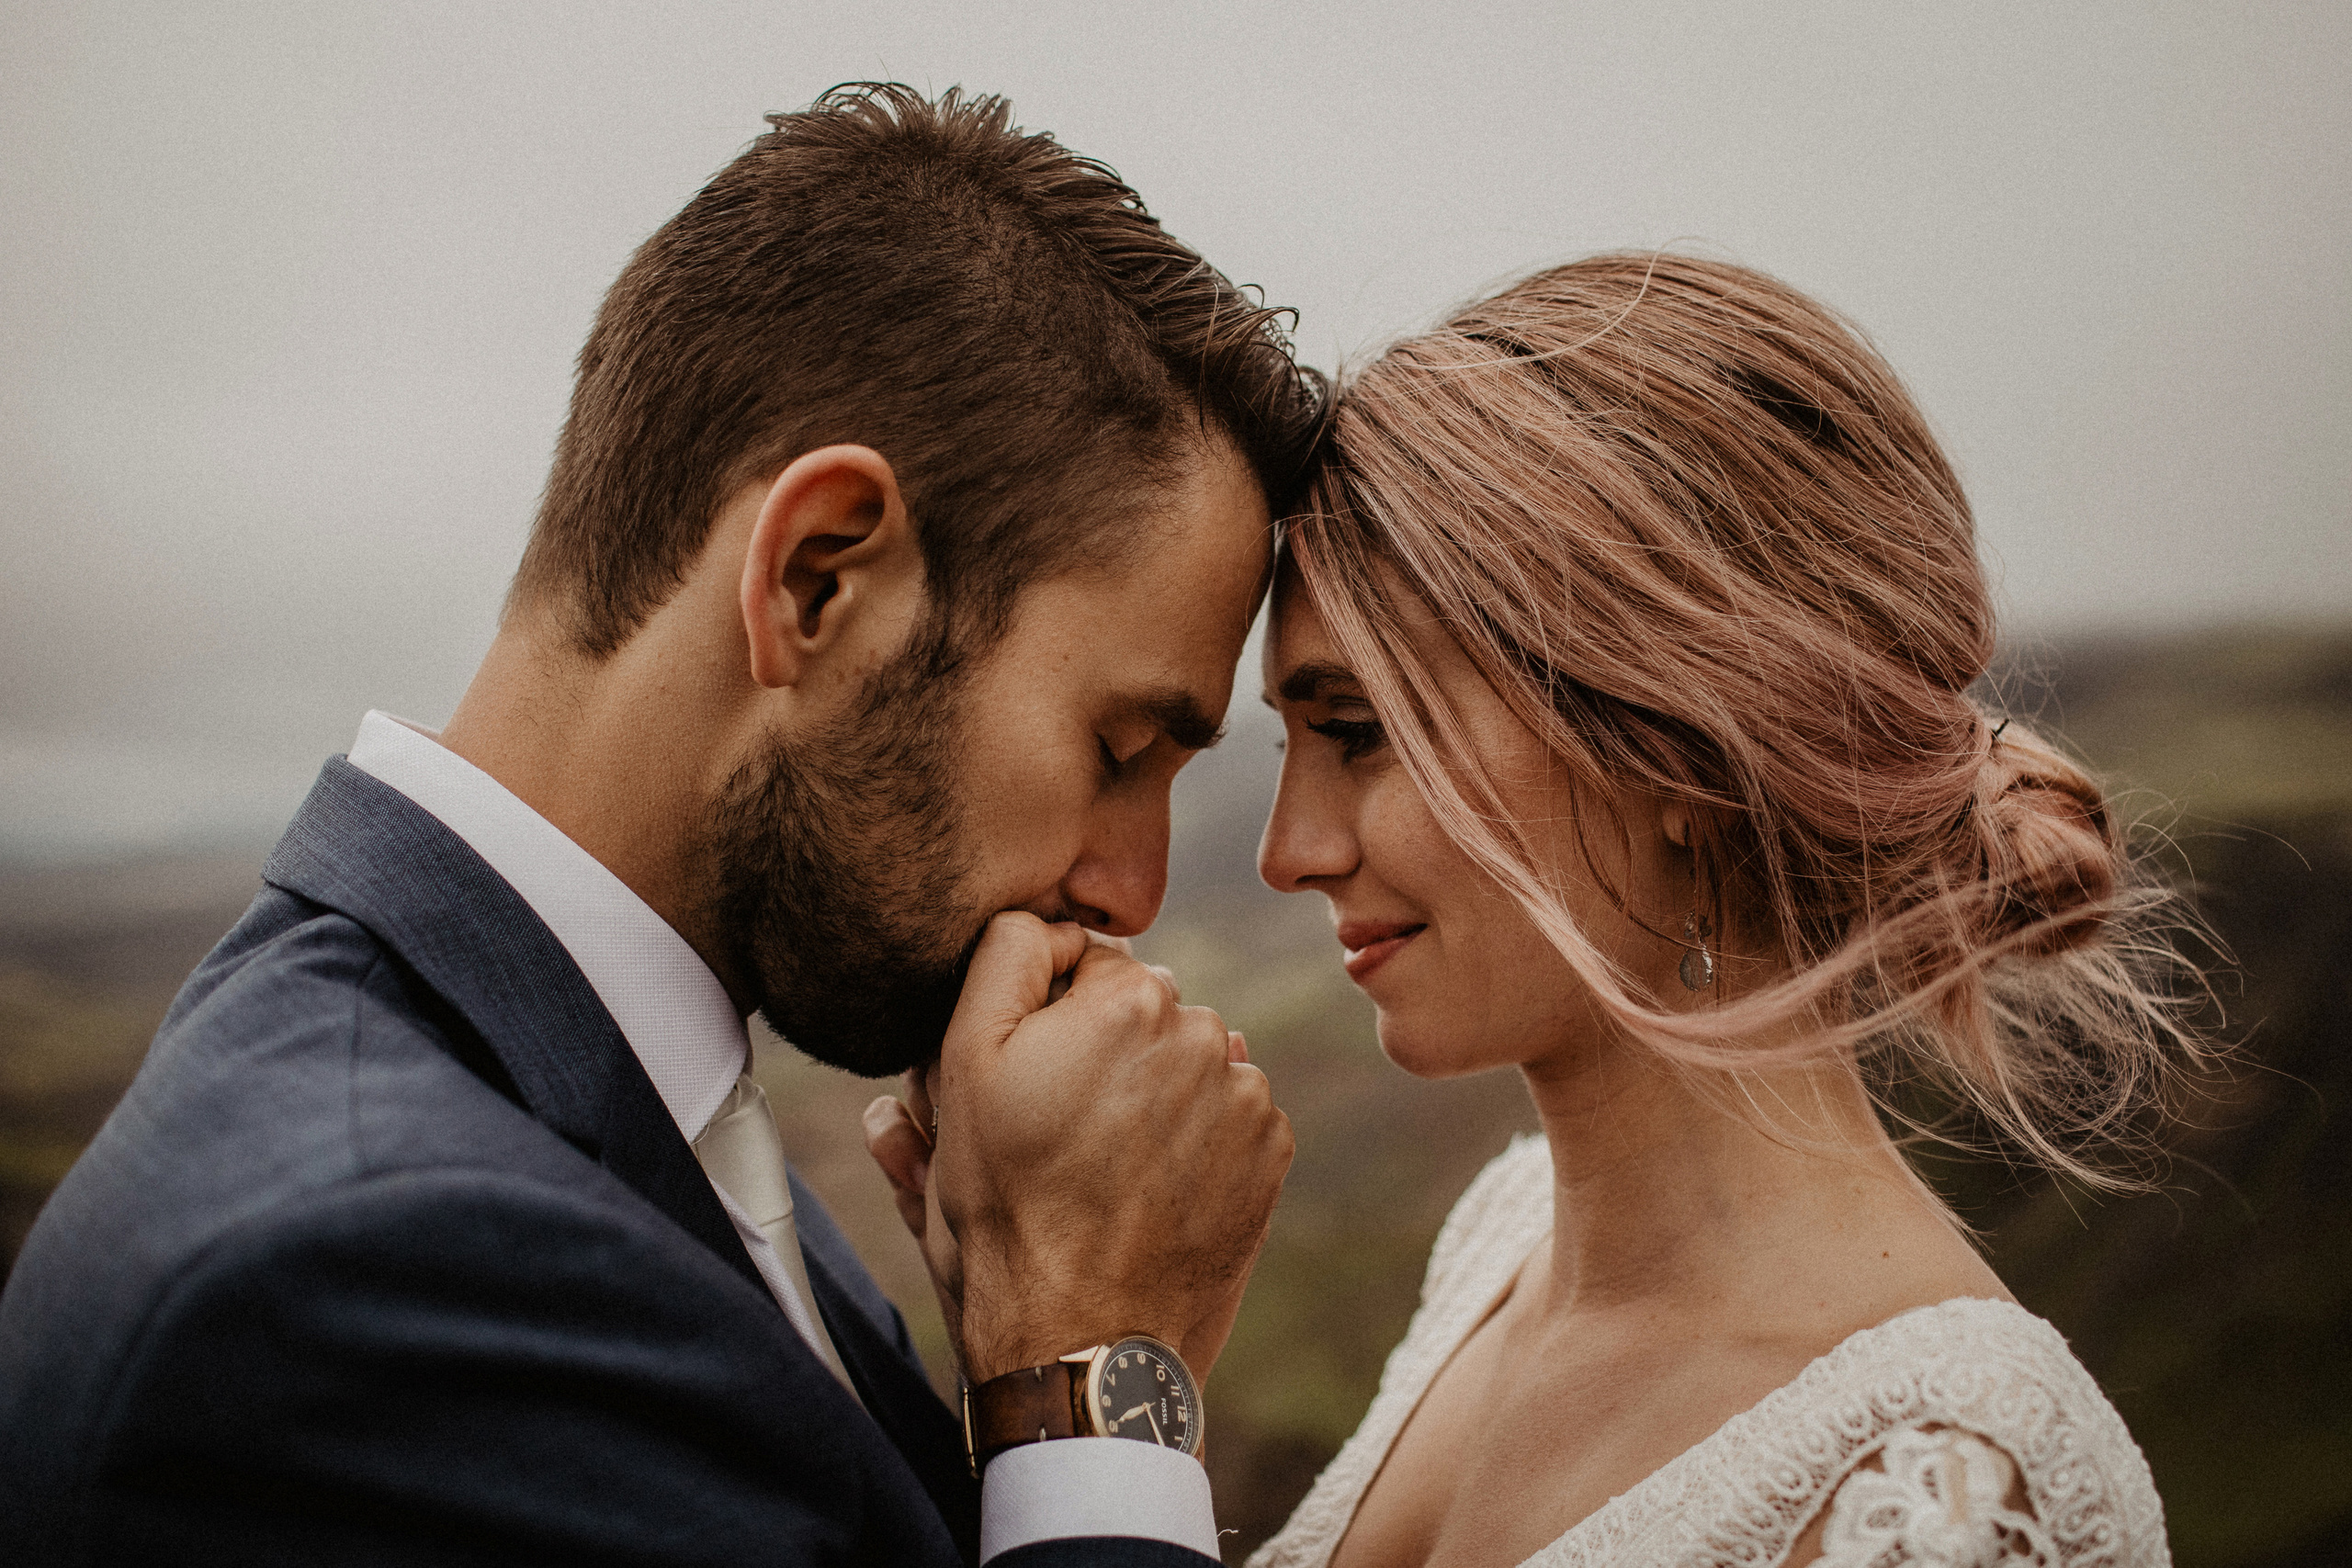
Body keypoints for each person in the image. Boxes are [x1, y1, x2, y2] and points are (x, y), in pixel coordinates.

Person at [0, 84, 1315, 1567]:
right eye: (1121, 747)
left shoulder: (616, 1117)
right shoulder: (374, 1286)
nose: (1129, 888)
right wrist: (1095, 1396)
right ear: (819, 580)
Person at [1242, 255, 2193, 1568]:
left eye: (1358, 732)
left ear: (1675, 745)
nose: (1289, 852)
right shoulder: (1502, 1243)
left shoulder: (1947, 1486)